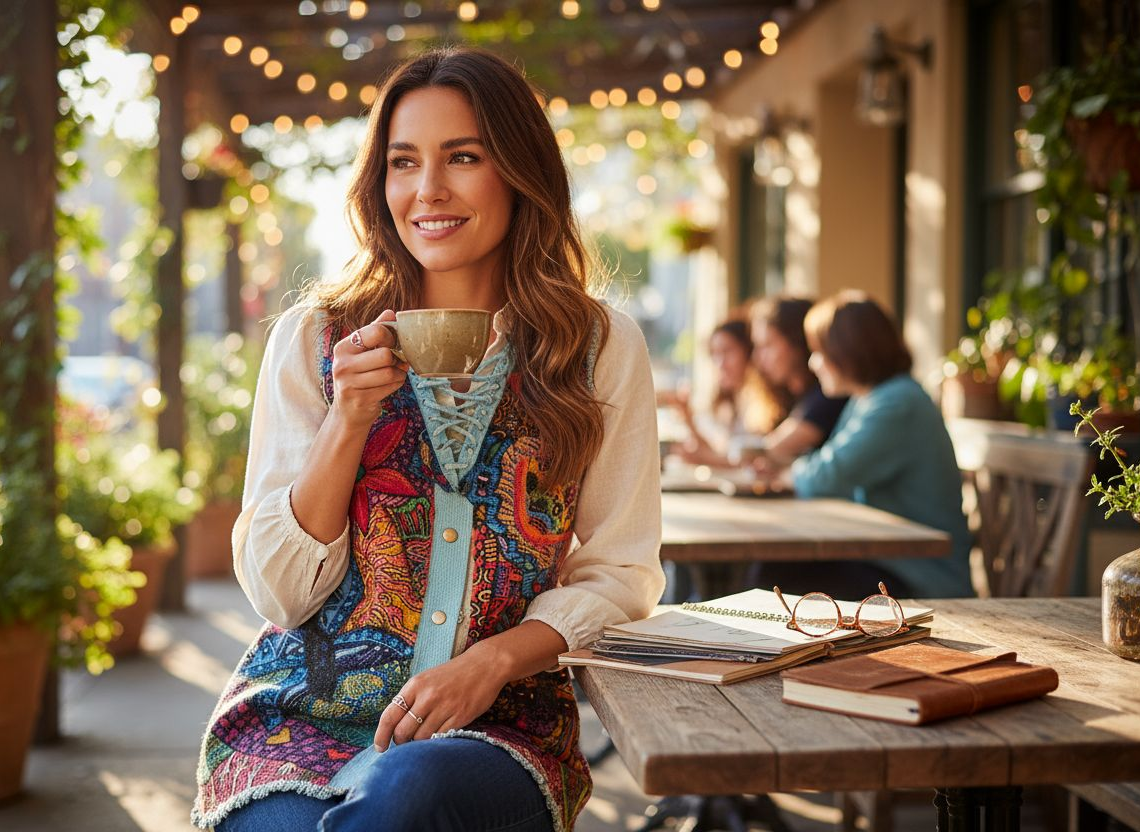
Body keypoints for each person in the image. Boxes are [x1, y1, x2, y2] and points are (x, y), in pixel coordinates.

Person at [190, 47, 666, 832]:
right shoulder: (315, 340)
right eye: (403, 162)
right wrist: (348, 420)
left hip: (497, 729)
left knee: (409, 798)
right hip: (296, 723)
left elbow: (621, 573)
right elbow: (281, 594)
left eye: (464, 157)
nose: (428, 190)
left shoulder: (597, 347)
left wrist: (494, 661)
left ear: (519, 171)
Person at [769, 290, 973, 599]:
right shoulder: (871, 398)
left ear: (848, 350)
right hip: (891, 562)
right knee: (774, 570)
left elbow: (828, 475)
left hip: (923, 575)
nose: (813, 363)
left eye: (820, 351)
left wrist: (789, 473)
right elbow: (831, 467)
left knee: (776, 576)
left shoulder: (896, 403)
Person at [745, 295, 848, 470]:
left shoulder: (828, 394)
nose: (757, 357)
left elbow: (768, 450)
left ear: (798, 343)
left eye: (767, 345)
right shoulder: (787, 397)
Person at [665, 316, 781, 468]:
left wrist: (704, 457)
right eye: (714, 354)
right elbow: (718, 450)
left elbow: (748, 459)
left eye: (727, 351)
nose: (720, 363)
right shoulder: (733, 400)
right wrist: (687, 416)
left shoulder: (766, 401)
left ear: (749, 351)